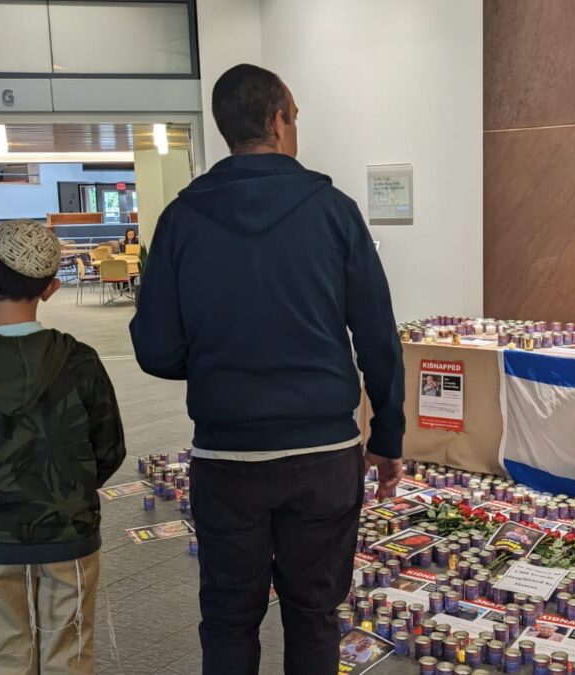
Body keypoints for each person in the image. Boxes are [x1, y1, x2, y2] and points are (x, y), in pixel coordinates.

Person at [130, 63, 405, 674]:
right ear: (279, 121)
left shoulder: (179, 219)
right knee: (313, 616)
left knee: (228, 620)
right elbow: (378, 335)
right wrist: (388, 433)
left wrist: (216, 364)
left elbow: (152, 349)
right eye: (296, 116)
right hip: (325, 454)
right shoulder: (334, 212)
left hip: (227, 460)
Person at [0, 220, 126, 674]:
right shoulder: (81, 360)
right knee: (70, 653)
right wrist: (68, 487)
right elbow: (109, 450)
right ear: (52, 288)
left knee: (1, 653)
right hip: (69, 531)